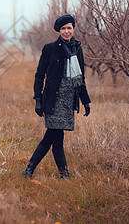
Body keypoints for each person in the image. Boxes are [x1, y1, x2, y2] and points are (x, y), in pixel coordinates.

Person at [22, 14, 91, 179]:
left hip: (69, 100)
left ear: (74, 29)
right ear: (59, 31)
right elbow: (40, 76)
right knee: (55, 136)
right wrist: (38, 99)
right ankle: (61, 174)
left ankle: (32, 170)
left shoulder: (78, 49)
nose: (66, 31)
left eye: (69, 28)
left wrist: (85, 101)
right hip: (54, 99)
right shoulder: (50, 49)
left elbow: (80, 78)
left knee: (54, 136)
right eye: (63, 28)